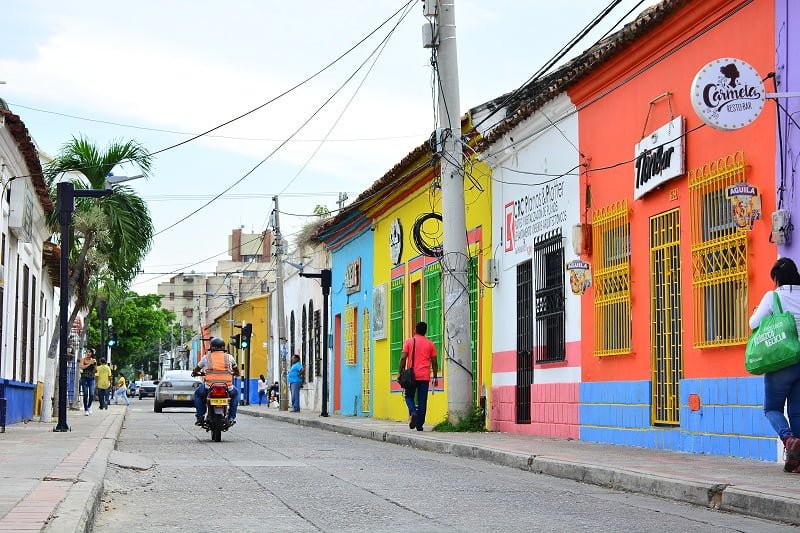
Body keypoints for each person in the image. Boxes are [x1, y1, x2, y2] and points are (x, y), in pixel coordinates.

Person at [750, 257, 800, 473]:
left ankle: (789, 441)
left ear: (776, 278)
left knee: (772, 408)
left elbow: (754, 324)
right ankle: (797, 462)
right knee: (797, 412)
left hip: (782, 360)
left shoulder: (773, 297)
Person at [398, 321, 438, 432]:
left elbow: (403, 358)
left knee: (409, 396)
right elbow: (434, 363)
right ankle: (419, 425)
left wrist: (400, 372)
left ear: (415, 330)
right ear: (425, 331)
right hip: (424, 376)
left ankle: (413, 411)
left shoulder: (409, 342)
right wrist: (435, 377)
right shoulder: (430, 344)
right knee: (422, 401)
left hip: (412, 376)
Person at [191, 337, 240, 426]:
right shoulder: (229, 357)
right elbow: (236, 370)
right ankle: (231, 417)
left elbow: (197, 368)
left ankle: (200, 416)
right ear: (223, 347)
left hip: (209, 386)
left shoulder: (206, 357)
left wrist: (194, 373)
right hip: (227, 387)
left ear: (211, 347)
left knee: (198, 394)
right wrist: (235, 373)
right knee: (236, 394)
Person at [79, 349, 97, 415]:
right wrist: (90, 363)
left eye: (90, 352)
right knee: (85, 394)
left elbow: (96, 371)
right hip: (84, 378)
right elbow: (82, 367)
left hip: (92, 378)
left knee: (92, 394)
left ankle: (89, 406)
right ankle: (86, 409)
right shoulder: (83, 359)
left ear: (92, 353)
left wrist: (95, 364)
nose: (88, 353)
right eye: (87, 352)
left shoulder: (93, 360)